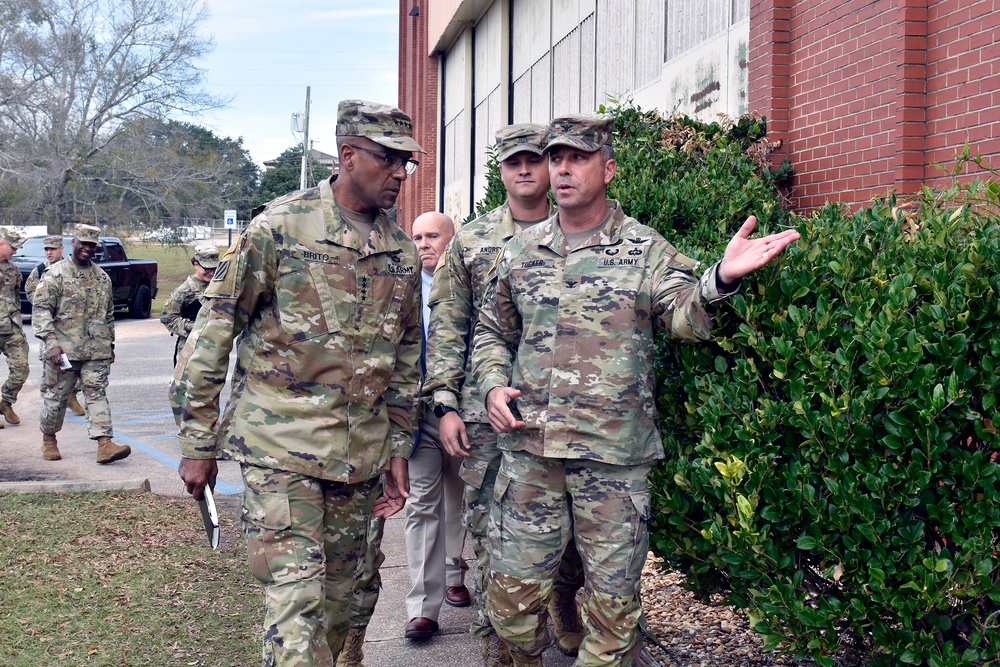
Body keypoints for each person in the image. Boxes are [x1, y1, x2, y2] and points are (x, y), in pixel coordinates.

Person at [470, 114, 801, 667]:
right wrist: (490, 387)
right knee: (509, 608)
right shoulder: (522, 250)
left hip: (614, 459)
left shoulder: (644, 249)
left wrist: (721, 278)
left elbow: (684, 317)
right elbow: (492, 332)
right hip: (530, 454)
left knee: (613, 613)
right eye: (556, 158)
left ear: (609, 168)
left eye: (577, 157)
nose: (563, 169)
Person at [171, 99, 425, 667]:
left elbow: (406, 363)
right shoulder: (278, 229)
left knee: (342, 610)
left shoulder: (401, 251)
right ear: (348, 155)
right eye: (388, 160)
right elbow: (214, 334)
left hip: (360, 459)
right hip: (280, 451)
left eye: (406, 163)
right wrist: (197, 444)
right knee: (296, 607)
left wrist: (400, 451)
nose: (400, 174)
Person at [423, 123, 585, 666]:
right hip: (487, 416)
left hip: (568, 411)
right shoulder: (472, 240)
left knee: (570, 529)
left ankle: (562, 600)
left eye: (534, 161)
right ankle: (503, 644)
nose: (524, 170)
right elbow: (449, 326)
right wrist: (445, 404)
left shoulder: (582, 230)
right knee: (492, 528)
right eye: (513, 161)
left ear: (551, 168)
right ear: (501, 170)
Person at [403, 210, 469, 639]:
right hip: (417, 413)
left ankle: (454, 574)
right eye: (418, 237)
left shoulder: (472, 283)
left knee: (461, 495)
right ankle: (422, 607)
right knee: (422, 503)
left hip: (465, 411)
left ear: (454, 239)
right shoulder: (404, 288)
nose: (424, 244)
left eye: (433, 236)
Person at [33, 224, 131, 464]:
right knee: (56, 398)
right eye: (83, 243)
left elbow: (108, 315)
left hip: (96, 351)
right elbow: (41, 310)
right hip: (63, 351)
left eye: (92, 245)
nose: (87, 248)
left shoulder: (102, 277)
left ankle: (104, 443)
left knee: (96, 394)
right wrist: (51, 343)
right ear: (73, 243)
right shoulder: (55, 274)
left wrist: (110, 346)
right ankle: (49, 439)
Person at [24, 235, 85, 417]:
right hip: (49, 325)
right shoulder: (40, 271)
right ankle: (50, 408)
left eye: (53, 249)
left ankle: (72, 395)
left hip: (71, 326)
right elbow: (30, 292)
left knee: (77, 363)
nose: (49, 253)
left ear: (61, 249)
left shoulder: (72, 268)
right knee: (50, 364)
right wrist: (47, 302)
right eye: (46, 249)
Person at [160, 244, 219, 365]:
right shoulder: (183, 291)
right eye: (207, 269)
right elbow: (168, 318)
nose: (212, 273)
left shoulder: (219, 287)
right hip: (190, 350)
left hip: (214, 351)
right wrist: (196, 327)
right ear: (196, 265)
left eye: (214, 269)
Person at [0, 227, 28, 429]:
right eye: (13, 247)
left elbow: (16, 297)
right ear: (1, 243)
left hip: (10, 328)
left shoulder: (13, 270)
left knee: (21, 368)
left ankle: (6, 402)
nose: (15, 252)